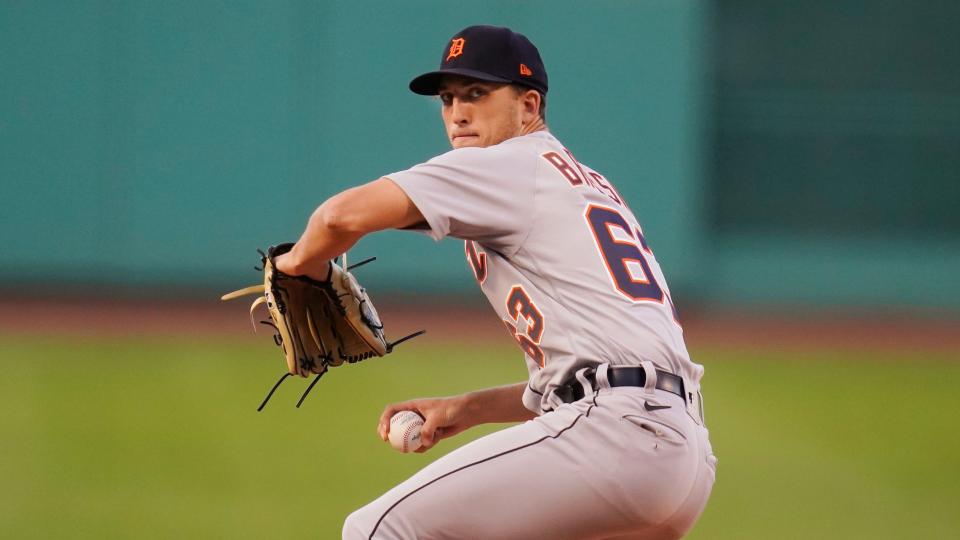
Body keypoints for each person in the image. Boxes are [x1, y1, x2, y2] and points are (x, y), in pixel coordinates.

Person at [275, 25, 716, 540]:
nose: (458, 112)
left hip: (616, 438)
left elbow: (338, 219)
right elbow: (586, 373)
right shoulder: (579, 180)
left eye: (477, 94)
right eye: (447, 98)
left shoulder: (510, 163)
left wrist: (299, 267)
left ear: (529, 107)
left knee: (377, 530)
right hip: (678, 454)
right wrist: (466, 409)